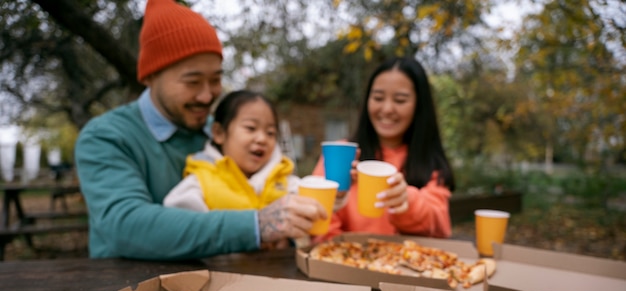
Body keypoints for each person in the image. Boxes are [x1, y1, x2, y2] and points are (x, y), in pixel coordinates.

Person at [74, 0, 326, 260]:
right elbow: (126, 225)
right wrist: (256, 226)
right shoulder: (106, 137)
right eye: (192, 82)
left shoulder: (216, 132)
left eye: (215, 80)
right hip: (128, 290)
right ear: (150, 77)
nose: (207, 96)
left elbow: (262, 187)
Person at [312, 56, 456, 239]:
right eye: (378, 98)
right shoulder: (341, 153)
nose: (387, 109)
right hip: (344, 263)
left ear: (419, 106)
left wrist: (407, 201)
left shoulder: (429, 162)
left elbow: (441, 226)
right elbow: (322, 226)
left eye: (400, 100)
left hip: (412, 263)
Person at [163, 90, 299, 248]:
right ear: (219, 133)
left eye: (270, 133)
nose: (262, 139)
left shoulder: (286, 181)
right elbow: (178, 231)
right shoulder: (201, 181)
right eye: (250, 128)